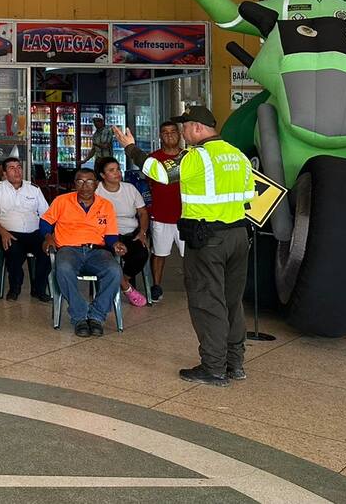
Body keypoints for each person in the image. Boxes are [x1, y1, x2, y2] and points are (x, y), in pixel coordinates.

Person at [116, 106, 253, 387]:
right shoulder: (237, 155)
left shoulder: (198, 156)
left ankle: (213, 367)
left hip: (208, 239)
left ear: (198, 128)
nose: (182, 133)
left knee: (207, 300)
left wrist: (131, 148)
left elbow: (160, 172)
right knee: (231, 300)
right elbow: (251, 194)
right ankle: (234, 363)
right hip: (239, 235)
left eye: (185, 127)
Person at [41, 168, 126, 336]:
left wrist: (116, 244)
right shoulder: (62, 201)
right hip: (68, 249)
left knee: (114, 271)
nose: (85, 186)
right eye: (80, 181)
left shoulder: (106, 205)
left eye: (89, 182)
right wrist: (48, 237)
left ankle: (96, 316)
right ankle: (80, 316)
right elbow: (45, 222)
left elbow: (110, 236)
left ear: (96, 184)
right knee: (63, 268)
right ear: (74, 184)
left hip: (97, 251)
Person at [0, 156, 51, 302]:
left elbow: (46, 214)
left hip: (34, 233)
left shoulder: (34, 189)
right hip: (9, 233)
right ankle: (15, 288)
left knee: (46, 253)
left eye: (19, 167)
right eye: (12, 168)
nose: (17, 171)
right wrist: (2, 233)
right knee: (14, 253)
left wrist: (47, 236)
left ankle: (39, 289)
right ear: (4, 173)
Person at [95, 156, 149, 307]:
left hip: (130, 233)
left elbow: (143, 213)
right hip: (105, 234)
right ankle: (127, 288)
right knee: (105, 257)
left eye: (118, 169)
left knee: (141, 253)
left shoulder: (130, 189)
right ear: (102, 175)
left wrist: (142, 232)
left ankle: (122, 281)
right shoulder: (96, 191)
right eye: (111, 170)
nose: (117, 173)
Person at [145, 120, 185, 300]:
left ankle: (194, 287)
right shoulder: (153, 159)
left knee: (190, 255)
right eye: (165, 132)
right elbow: (148, 184)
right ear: (160, 136)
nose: (169, 135)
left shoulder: (188, 157)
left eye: (173, 131)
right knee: (159, 253)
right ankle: (156, 286)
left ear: (180, 134)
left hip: (186, 216)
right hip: (160, 215)